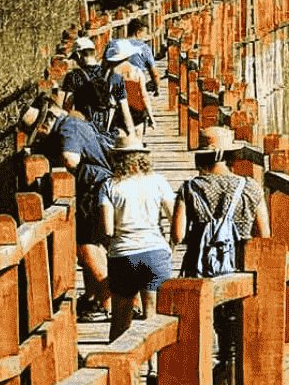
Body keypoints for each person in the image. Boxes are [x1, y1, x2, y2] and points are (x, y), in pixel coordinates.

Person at [27, 92, 115, 322]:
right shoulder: (74, 122)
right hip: (97, 187)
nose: (41, 133)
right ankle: (98, 297)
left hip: (93, 188)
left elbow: (71, 159)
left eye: (40, 128)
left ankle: (108, 304)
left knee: (87, 246)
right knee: (92, 245)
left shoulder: (67, 128)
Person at [98, 132, 176, 339]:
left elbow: (107, 229)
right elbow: (174, 217)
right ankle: (152, 369)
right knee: (153, 318)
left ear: (116, 158)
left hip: (123, 255)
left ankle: (120, 369)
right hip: (156, 252)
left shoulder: (109, 186)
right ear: (143, 157)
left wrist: (112, 246)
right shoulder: (158, 181)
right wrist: (170, 247)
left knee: (120, 320)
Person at [173, 126, 269, 277]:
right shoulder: (251, 187)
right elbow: (264, 236)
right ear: (230, 155)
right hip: (240, 269)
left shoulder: (189, 188)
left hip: (199, 269)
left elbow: (177, 236)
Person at [60, 36, 133, 140]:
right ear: (94, 53)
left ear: (78, 55)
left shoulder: (73, 77)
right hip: (110, 133)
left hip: (85, 133)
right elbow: (125, 109)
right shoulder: (115, 77)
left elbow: (66, 108)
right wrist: (131, 135)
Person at [105, 38, 151, 133]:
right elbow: (144, 96)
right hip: (138, 111)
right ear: (129, 56)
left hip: (119, 113)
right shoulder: (137, 71)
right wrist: (151, 117)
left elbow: (109, 94)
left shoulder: (113, 71)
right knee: (138, 141)